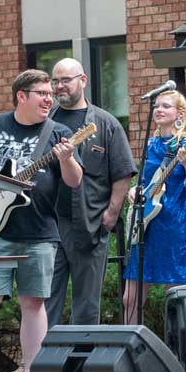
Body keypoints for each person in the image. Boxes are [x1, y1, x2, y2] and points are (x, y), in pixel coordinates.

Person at [0, 69, 83, 372]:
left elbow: (74, 180)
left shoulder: (57, 132)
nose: (48, 98)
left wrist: (67, 158)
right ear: (21, 96)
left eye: (50, 94)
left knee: (33, 301)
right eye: (41, 93)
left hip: (40, 231)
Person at [46, 58, 136, 327]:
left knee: (86, 306)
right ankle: (39, 364)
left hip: (90, 225)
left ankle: (80, 364)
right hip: (49, 226)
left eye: (66, 80)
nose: (59, 86)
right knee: (44, 300)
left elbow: (123, 174)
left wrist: (111, 214)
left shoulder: (106, 124)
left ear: (82, 81)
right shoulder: (44, 123)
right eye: (55, 81)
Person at [122, 89, 186, 324]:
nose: (158, 110)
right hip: (146, 225)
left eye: (165, 106)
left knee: (178, 300)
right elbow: (145, 181)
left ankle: (180, 355)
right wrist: (134, 190)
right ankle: (132, 352)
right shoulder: (149, 145)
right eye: (156, 106)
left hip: (175, 229)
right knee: (130, 299)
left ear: (180, 113)